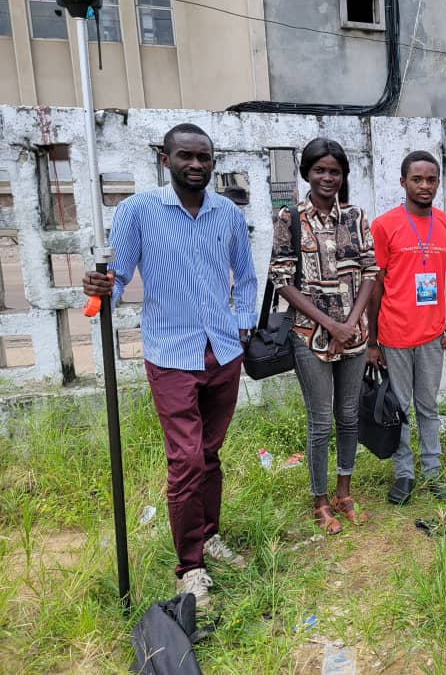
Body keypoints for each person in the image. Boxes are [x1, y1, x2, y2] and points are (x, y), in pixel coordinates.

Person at [82, 123, 256, 608]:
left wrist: (241, 325)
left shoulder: (227, 213)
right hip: (172, 354)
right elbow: (117, 281)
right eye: (186, 156)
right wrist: (101, 289)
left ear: (213, 163)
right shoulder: (137, 211)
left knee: (211, 454)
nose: (196, 164)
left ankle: (210, 537)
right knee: (186, 460)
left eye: (205, 157)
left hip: (222, 352)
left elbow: (244, 275)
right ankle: (191, 567)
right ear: (166, 159)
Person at [269, 138, 377, 535]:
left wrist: (349, 325)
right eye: (320, 170)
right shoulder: (290, 218)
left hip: (355, 335)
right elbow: (281, 278)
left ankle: (344, 493)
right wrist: (330, 325)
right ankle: (319, 501)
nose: (327, 177)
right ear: (307, 174)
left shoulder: (356, 216)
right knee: (320, 421)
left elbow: (370, 271)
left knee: (348, 417)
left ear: (343, 174)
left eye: (334, 171)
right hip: (309, 335)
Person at [367, 151, 446, 505]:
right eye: (417, 179)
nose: (425, 186)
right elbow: (375, 285)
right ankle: (404, 474)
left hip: (431, 336)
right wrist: (372, 341)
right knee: (400, 408)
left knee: (428, 405)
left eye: (431, 179)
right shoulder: (383, 225)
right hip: (393, 335)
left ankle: (432, 472)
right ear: (403, 182)